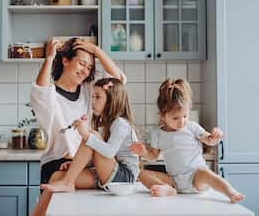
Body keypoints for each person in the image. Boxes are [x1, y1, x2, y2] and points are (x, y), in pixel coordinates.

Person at [30, 39, 126, 216]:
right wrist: (50, 56)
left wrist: (96, 50)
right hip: (58, 165)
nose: (85, 71)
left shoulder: (89, 91)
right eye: (82, 63)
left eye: (89, 67)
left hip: (85, 166)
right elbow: (39, 89)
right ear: (65, 61)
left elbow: (118, 81)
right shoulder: (51, 95)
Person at [34, 78, 139, 215]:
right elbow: (99, 155)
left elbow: (109, 152)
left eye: (98, 97)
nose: (93, 101)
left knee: (92, 136)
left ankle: (68, 182)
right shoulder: (106, 124)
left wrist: (86, 135)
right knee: (55, 177)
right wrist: (77, 165)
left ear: (112, 100)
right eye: (92, 97)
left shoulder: (121, 123)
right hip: (108, 174)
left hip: (125, 178)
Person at [131, 78, 244, 203]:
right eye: (175, 118)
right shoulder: (157, 133)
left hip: (196, 177)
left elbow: (209, 140)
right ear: (163, 116)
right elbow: (153, 156)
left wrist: (215, 136)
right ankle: (167, 189)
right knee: (142, 174)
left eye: (185, 116)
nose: (182, 122)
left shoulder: (192, 127)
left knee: (207, 174)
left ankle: (231, 192)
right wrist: (143, 152)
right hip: (174, 180)